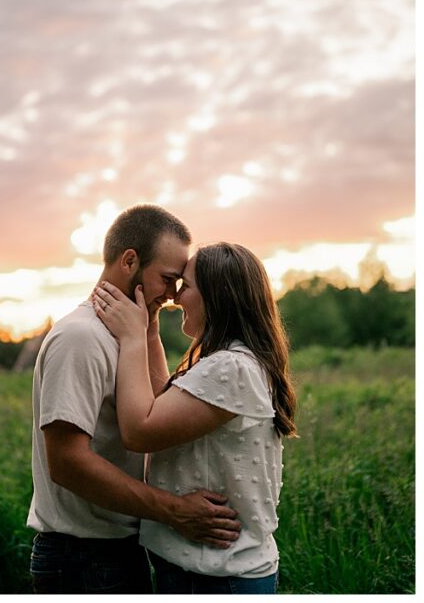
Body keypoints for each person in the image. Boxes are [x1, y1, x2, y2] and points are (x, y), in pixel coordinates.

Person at [27, 204, 242, 594]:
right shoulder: (81, 338)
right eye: (167, 279)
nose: (175, 295)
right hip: (83, 560)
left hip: (116, 551)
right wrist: (175, 510)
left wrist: (147, 331)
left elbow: (158, 413)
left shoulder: (127, 335)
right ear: (129, 261)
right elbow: (66, 462)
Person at [93, 241, 298, 594]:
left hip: (215, 577)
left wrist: (131, 339)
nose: (174, 297)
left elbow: (140, 429)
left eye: (185, 286)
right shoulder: (230, 361)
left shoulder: (230, 368)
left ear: (216, 297)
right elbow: (159, 407)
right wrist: (150, 331)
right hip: (209, 571)